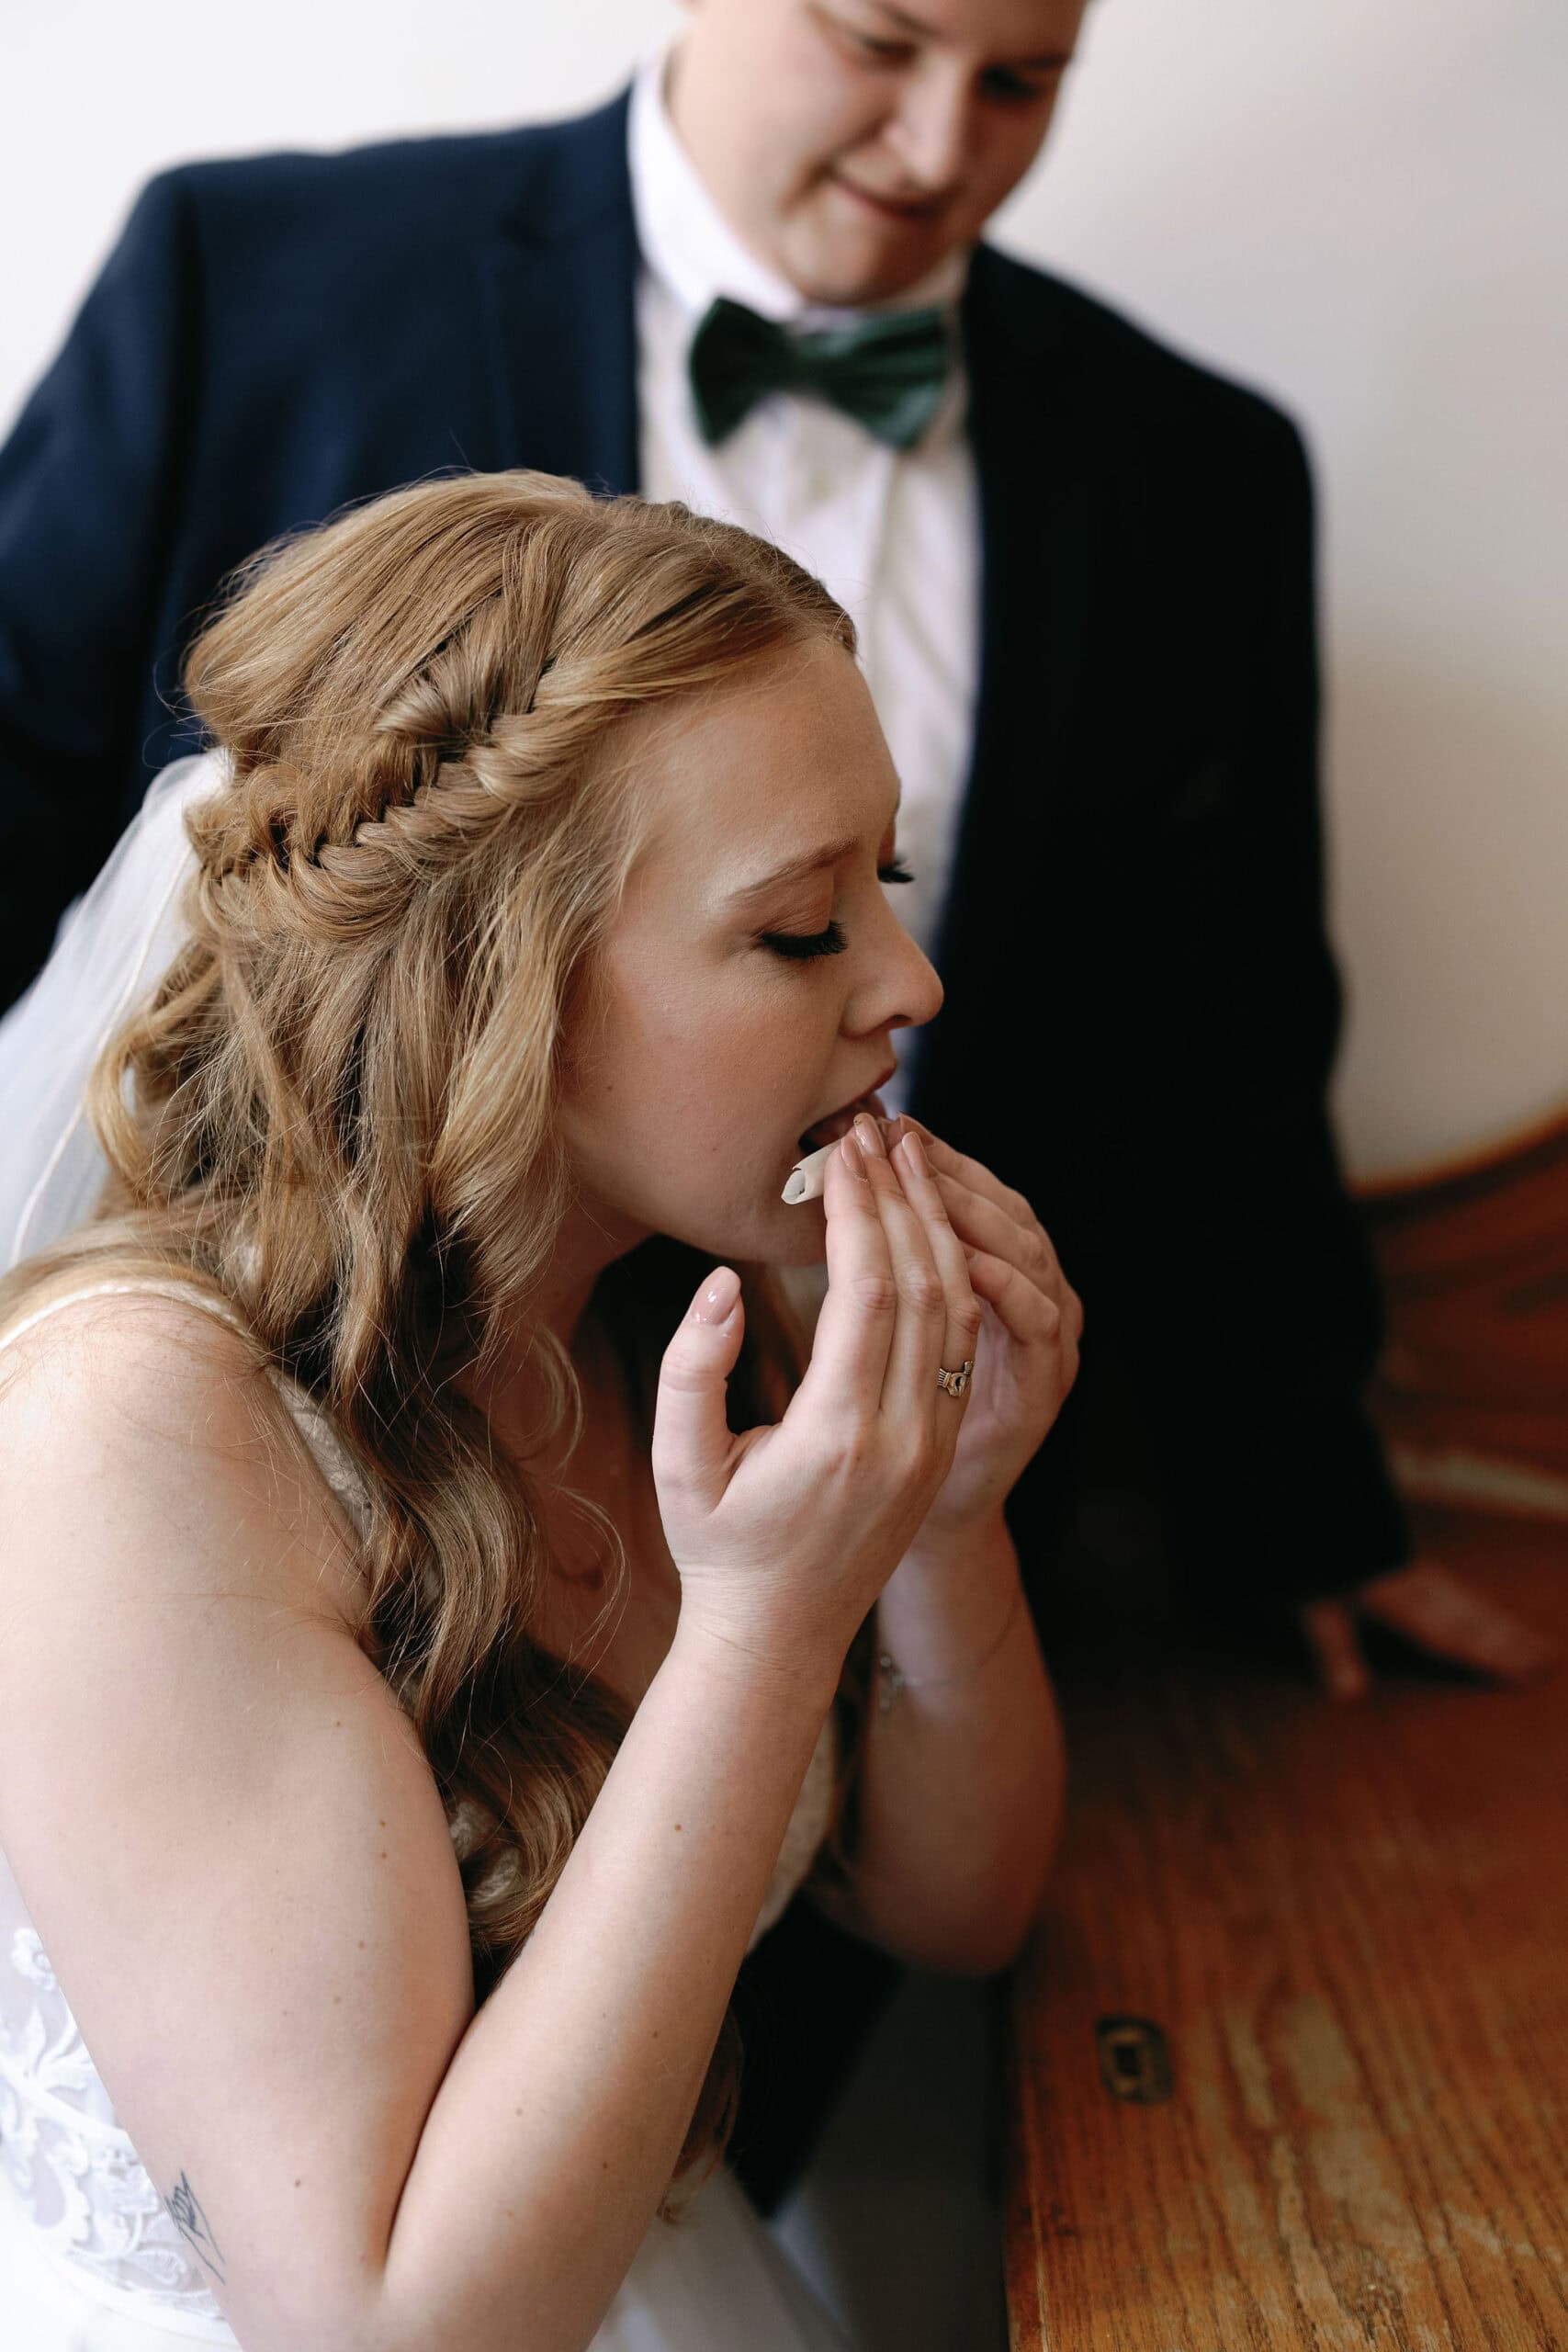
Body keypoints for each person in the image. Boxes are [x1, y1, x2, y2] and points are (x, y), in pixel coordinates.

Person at [0, 2, 1547, 1710]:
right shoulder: (257, 282)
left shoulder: (1196, 470)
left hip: (938, 1562)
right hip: (339, 1483)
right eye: (882, 42)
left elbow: (1237, 1028)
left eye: (1023, 81)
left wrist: (1296, 1509)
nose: (945, 144)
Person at [0, 469, 1076, 2350]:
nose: (904, 986)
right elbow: (383, 2320)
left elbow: (955, 1905)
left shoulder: (683, 1304)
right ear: (491, 984)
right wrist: (762, 1616)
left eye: (879, 886)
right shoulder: (135, 1436)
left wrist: (943, 1511)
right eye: (797, 927)